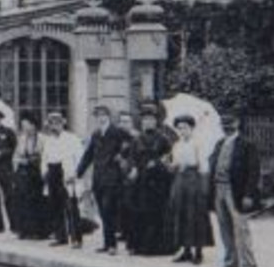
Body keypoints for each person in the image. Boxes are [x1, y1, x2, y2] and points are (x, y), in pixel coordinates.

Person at [208, 113, 261, 267]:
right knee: (225, 230)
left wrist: (248, 194)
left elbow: (254, 172)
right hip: (219, 189)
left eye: (230, 123)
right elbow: (212, 165)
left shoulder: (247, 145)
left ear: (237, 123)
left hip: (236, 191)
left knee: (242, 230)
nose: (227, 126)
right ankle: (231, 264)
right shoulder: (219, 144)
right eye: (224, 124)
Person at [76, 104, 135, 253]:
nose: (101, 118)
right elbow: (88, 155)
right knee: (102, 211)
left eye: (104, 115)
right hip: (98, 177)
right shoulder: (96, 134)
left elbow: (133, 143)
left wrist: (122, 155)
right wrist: (78, 172)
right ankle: (107, 243)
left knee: (109, 209)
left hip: (113, 178)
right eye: (98, 116)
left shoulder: (117, 132)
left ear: (108, 117)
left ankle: (113, 245)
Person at [128, 104, 177, 255]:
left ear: (156, 121)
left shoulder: (164, 139)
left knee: (158, 214)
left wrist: (157, 163)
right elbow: (132, 157)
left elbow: (170, 158)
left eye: (151, 119)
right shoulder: (137, 140)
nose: (148, 122)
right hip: (141, 182)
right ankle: (140, 246)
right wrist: (133, 168)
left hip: (158, 183)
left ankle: (158, 248)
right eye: (145, 119)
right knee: (140, 213)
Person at [166, 114, 214, 265]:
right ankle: (185, 250)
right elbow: (174, 164)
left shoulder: (198, 143)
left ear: (191, 128)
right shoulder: (177, 145)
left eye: (185, 128)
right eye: (179, 128)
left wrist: (203, 186)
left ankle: (198, 251)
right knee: (180, 213)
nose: (182, 131)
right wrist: (170, 165)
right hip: (180, 181)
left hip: (194, 180)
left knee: (195, 215)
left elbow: (204, 167)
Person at [39, 110, 86, 247]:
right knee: (55, 205)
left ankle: (76, 238)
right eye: (52, 124)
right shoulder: (49, 140)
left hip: (66, 173)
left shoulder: (72, 139)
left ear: (63, 124)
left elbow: (80, 158)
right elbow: (44, 158)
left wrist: (76, 174)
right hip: (52, 172)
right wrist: (44, 172)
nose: (55, 126)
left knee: (71, 206)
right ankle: (61, 236)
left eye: (57, 123)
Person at [10, 112, 50, 239]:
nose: (24, 128)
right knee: (22, 201)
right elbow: (16, 155)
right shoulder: (22, 138)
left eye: (26, 125)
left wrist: (35, 161)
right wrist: (18, 163)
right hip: (23, 173)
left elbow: (45, 155)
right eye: (22, 125)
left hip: (36, 173)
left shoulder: (42, 138)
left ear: (33, 125)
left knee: (37, 202)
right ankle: (24, 230)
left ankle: (38, 231)